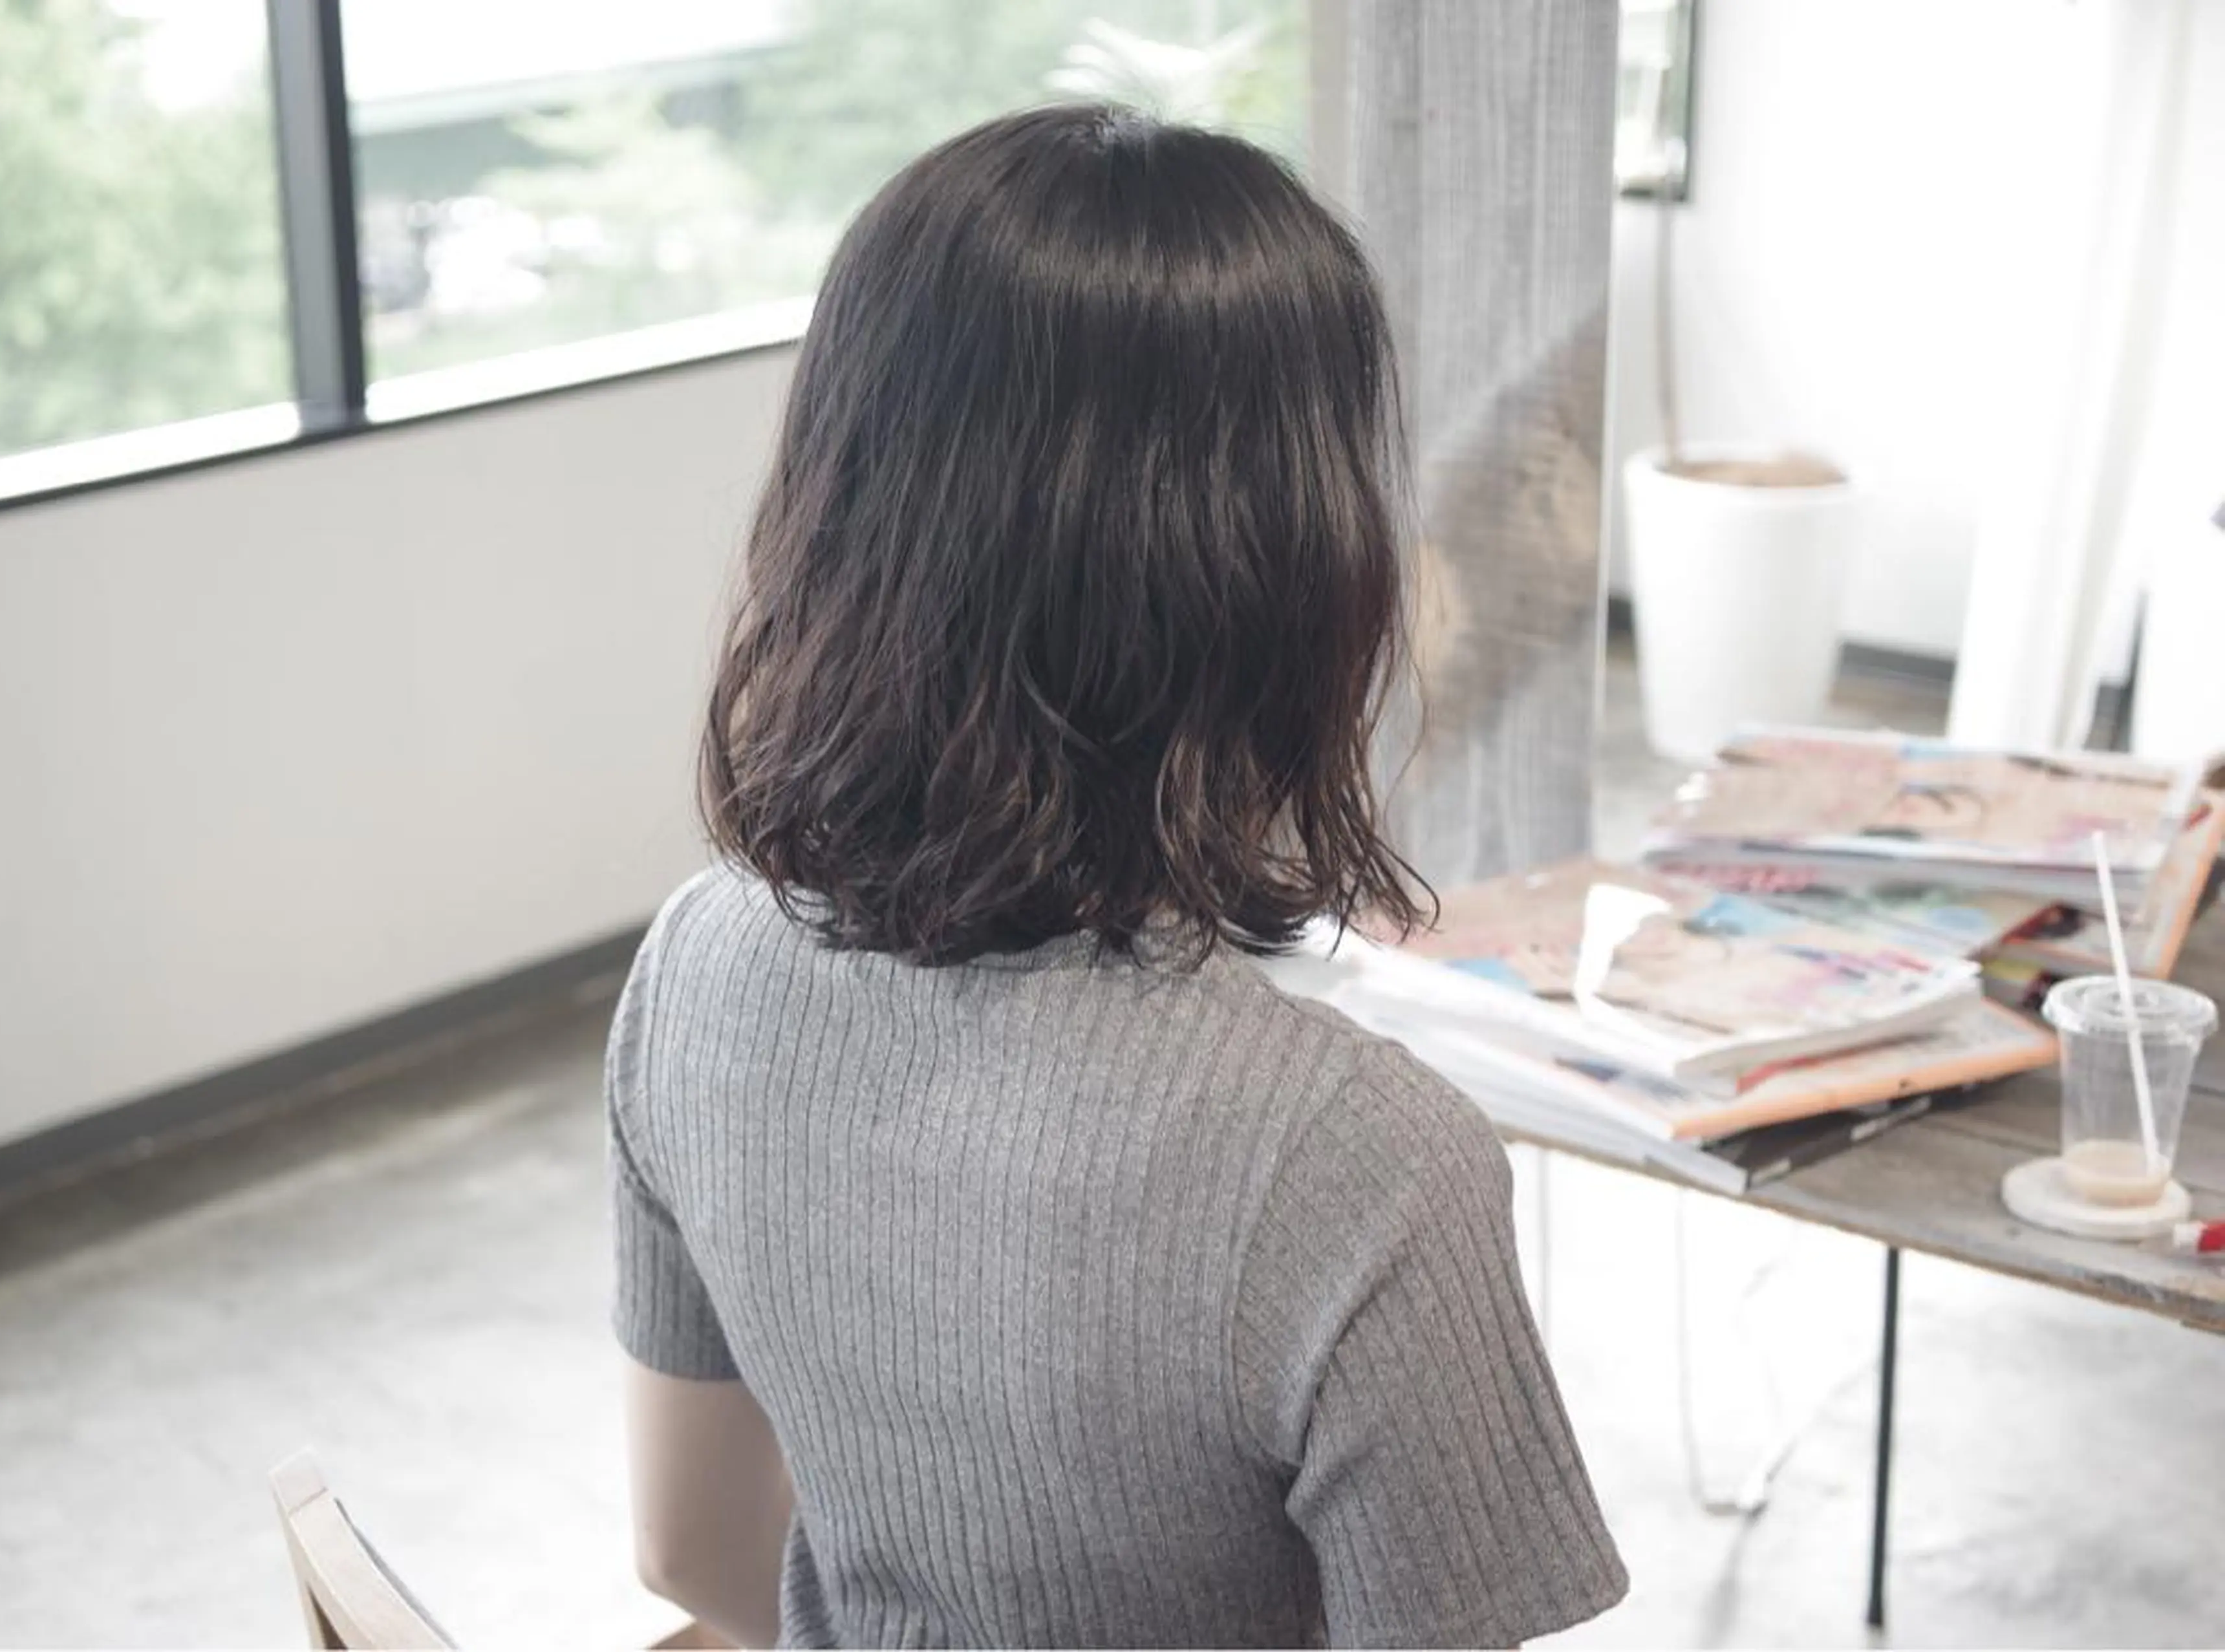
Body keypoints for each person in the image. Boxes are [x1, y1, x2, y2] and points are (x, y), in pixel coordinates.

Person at [608, 103, 1626, 1649]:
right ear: (1294, 571)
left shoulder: (689, 967)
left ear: (838, 504)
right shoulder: (1358, 1158)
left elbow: (693, 1558)